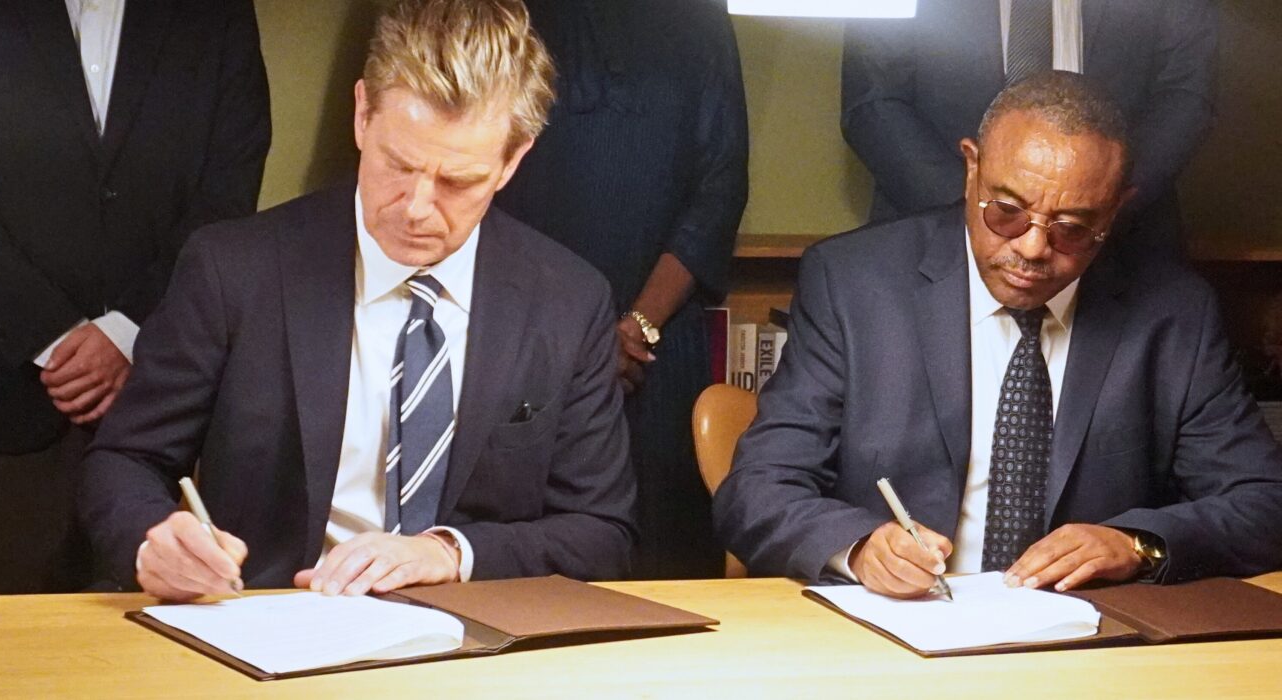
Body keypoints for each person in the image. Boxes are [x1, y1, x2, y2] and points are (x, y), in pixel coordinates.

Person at [79, 0, 636, 602]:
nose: (418, 206)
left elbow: (601, 532)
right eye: (398, 164)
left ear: (512, 160)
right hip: (268, 623)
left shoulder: (568, 300)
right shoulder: (233, 270)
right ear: (362, 115)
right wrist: (151, 541)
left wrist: (448, 552)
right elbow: (123, 461)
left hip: (474, 645)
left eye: (458, 181)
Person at [714, 72, 1282, 597]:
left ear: (1116, 212)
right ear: (970, 168)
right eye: (1007, 212)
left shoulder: (1172, 314)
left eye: (1073, 228)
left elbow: (1266, 504)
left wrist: (1136, 543)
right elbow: (756, 491)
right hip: (896, 629)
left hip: (1083, 638)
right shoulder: (855, 285)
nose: (1033, 248)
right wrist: (860, 548)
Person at [0, 0, 271, 594]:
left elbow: (231, 179)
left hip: (156, 402)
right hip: (1, 387)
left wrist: (129, 329)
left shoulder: (216, 16)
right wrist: (51, 333)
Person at [494, 0, 748, 579]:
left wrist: (638, 325)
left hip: (657, 347)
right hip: (521, 339)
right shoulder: (503, 11)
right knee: (526, 568)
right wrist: (573, 340)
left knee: (668, 567)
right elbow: (476, 175)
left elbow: (721, 187)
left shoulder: (699, 15)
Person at [840, 0, 1216, 259]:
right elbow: (873, 102)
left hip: (1120, 250)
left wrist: (1087, 216)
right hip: (933, 240)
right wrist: (986, 216)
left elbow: (1187, 94)